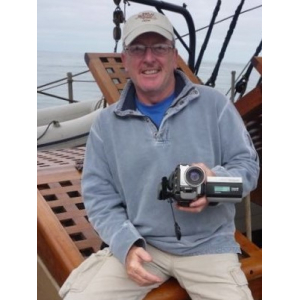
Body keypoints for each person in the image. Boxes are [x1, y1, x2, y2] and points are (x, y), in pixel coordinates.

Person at [59, 10, 259, 300]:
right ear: (125, 59)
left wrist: (213, 186)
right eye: (138, 49)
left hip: (208, 245)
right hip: (142, 245)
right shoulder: (105, 125)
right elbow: (99, 199)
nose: (149, 58)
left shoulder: (215, 105)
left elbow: (248, 170)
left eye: (159, 47)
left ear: (174, 55)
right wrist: (126, 245)